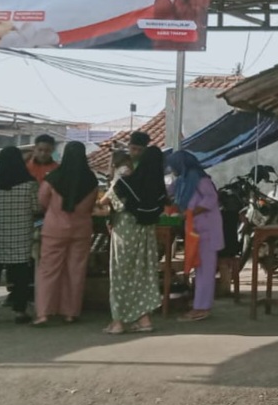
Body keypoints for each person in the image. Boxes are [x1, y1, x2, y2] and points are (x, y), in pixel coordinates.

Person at [34, 141, 98, 326]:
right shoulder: (91, 180)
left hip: (54, 229)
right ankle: (70, 313)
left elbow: (42, 201)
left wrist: (55, 212)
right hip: (81, 230)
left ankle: (44, 313)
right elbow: (92, 204)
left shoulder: (53, 178)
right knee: (75, 271)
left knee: (48, 270)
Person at [106, 145, 167, 335]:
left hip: (125, 231)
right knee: (143, 273)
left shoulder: (126, 183)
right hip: (146, 232)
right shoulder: (159, 187)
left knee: (122, 274)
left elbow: (114, 203)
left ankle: (118, 322)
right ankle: (144, 319)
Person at [0, 146, 39, 325]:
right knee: (20, 275)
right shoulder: (30, 185)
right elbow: (36, 208)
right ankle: (20, 311)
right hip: (20, 236)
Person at [167, 150, 224, 322]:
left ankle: (201, 308)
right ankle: (199, 304)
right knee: (199, 268)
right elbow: (170, 193)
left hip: (207, 229)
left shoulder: (201, 179)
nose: (172, 168)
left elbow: (211, 199)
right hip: (195, 230)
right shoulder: (182, 180)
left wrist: (189, 213)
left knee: (205, 270)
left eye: (174, 165)